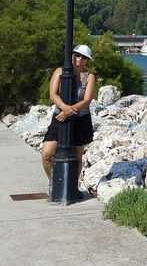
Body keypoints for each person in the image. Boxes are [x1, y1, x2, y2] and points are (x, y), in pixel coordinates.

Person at [40, 44, 98, 188]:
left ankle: (72, 186)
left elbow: (87, 100)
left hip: (81, 119)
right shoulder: (60, 71)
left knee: (77, 156)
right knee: (47, 154)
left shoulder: (89, 76)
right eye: (77, 55)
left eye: (84, 57)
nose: (79, 59)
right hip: (60, 117)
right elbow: (53, 94)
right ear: (72, 55)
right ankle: (55, 184)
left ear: (87, 60)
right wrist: (64, 108)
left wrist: (68, 111)